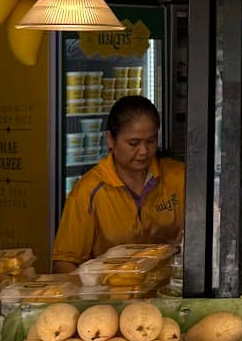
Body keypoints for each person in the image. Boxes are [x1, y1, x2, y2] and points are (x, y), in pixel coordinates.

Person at [52, 96, 184, 271]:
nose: (144, 151)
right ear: (110, 140)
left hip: (168, 291)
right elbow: (64, 262)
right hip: (111, 292)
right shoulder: (88, 191)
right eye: (133, 143)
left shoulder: (178, 176)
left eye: (151, 141)